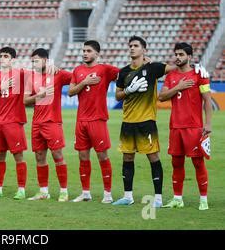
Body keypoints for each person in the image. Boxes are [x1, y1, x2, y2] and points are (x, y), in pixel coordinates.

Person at [113, 36, 209, 207]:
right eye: (130, 46)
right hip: (127, 121)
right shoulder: (123, 72)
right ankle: (128, 196)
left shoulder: (154, 68)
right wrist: (128, 90)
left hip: (147, 121)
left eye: (135, 46)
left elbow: (178, 65)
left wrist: (196, 67)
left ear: (144, 50)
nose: (132, 48)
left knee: (154, 158)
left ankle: (157, 198)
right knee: (127, 158)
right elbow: (118, 95)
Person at [158, 42, 212, 211]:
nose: (178, 57)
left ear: (190, 57)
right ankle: (177, 198)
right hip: (175, 127)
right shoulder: (171, 76)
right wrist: (179, 86)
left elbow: (207, 101)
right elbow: (162, 97)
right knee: (176, 163)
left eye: (181, 54)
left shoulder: (199, 75)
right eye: (176, 54)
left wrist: (208, 123)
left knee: (198, 163)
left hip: (194, 127)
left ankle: (203, 199)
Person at [68, 40, 118, 203]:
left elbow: (125, 74)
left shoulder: (105, 69)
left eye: (88, 51)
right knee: (82, 156)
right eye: (83, 50)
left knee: (102, 156)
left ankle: (108, 194)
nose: (85, 53)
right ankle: (85, 193)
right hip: (81, 120)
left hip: (98, 119)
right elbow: (70, 92)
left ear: (97, 53)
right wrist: (84, 82)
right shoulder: (78, 70)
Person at [24, 48, 72, 202]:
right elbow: (25, 101)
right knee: (39, 157)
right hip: (36, 123)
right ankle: (43, 191)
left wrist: (58, 67)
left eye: (36, 60)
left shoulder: (58, 74)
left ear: (45, 60)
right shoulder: (31, 77)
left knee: (57, 155)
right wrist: (39, 95)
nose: (34, 63)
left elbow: (76, 78)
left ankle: (64, 191)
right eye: (32, 61)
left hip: (52, 121)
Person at [0, 46, 28, 200]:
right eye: (1, 56)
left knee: (18, 157)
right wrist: (0, 88)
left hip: (14, 122)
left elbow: (40, 73)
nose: (2, 58)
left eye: (6, 56)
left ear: (13, 59)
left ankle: (21, 189)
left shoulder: (20, 74)